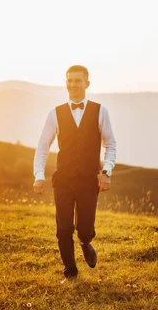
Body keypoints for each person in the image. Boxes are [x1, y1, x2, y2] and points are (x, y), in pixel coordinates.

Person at [33, 65, 117, 280]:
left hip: (89, 179)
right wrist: (39, 175)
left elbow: (111, 144)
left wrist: (106, 171)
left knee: (85, 227)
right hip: (63, 180)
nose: (72, 84)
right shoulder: (55, 113)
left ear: (87, 83)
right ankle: (70, 271)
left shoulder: (100, 111)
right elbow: (43, 146)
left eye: (77, 81)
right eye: (69, 80)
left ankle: (85, 241)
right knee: (63, 228)